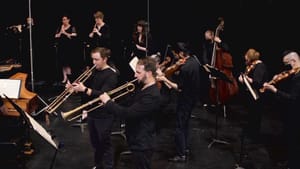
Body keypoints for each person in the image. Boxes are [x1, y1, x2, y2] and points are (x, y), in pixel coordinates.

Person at [98, 57, 161, 169]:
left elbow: (128, 113)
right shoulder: (142, 86)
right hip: (136, 138)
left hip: (143, 142)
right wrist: (113, 102)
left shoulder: (152, 95)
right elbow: (130, 102)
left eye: (138, 72)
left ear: (149, 73)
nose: (135, 75)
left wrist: (108, 103)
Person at [70, 47, 118, 169]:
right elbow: (86, 89)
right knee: (95, 142)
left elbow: (103, 94)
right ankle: (98, 164)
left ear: (105, 59)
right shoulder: (94, 71)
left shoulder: (112, 75)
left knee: (104, 142)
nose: (93, 63)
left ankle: (108, 166)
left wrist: (84, 89)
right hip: (92, 112)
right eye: (93, 59)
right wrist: (75, 89)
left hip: (104, 115)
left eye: (96, 59)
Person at [156, 42, 201, 162]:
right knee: (185, 124)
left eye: (176, 54)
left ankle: (181, 154)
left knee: (179, 126)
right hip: (193, 99)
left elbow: (178, 87)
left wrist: (164, 78)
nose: (175, 56)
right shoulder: (195, 60)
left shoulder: (186, 68)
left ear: (182, 53)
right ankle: (185, 148)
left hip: (185, 99)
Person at [262, 50, 300, 169]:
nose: (285, 68)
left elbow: (293, 99)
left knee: (294, 141)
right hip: (291, 113)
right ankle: (290, 161)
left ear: (293, 61)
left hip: (296, 115)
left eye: (286, 64)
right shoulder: (294, 73)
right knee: (289, 139)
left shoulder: (298, 77)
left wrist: (275, 90)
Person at [237, 48, 269, 144]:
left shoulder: (260, 66)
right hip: (252, 94)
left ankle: (254, 136)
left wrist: (246, 79)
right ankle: (250, 132)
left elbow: (257, 82)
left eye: (247, 59)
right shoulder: (253, 65)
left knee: (256, 115)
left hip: (258, 95)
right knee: (252, 114)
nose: (245, 61)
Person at [199, 28, 231, 105]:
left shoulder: (219, 43)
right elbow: (205, 55)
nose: (205, 38)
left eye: (207, 36)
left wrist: (220, 42)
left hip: (219, 66)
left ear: (212, 35)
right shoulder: (205, 44)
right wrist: (207, 64)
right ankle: (209, 100)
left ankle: (222, 99)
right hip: (210, 66)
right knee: (207, 83)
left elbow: (227, 48)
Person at [54, 14, 78, 84]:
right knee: (63, 64)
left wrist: (65, 33)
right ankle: (64, 77)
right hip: (61, 48)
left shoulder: (72, 27)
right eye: (62, 20)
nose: (63, 21)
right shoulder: (60, 27)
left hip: (69, 48)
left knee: (68, 64)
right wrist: (61, 32)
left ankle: (69, 79)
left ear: (68, 20)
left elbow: (73, 36)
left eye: (65, 19)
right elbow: (56, 36)